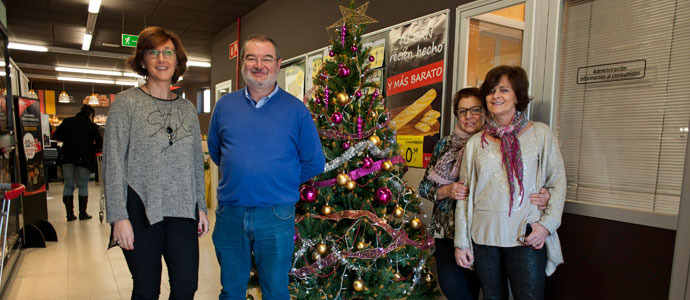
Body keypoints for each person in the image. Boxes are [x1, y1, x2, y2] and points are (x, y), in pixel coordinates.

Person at [208, 34, 325, 300]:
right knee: (231, 290)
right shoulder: (225, 106)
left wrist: (279, 180)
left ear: (278, 64)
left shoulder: (296, 110)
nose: (259, 65)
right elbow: (217, 151)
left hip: (275, 215)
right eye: (252, 58)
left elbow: (314, 161)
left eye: (267, 59)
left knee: (275, 291)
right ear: (242, 63)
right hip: (231, 214)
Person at [103, 26, 209, 300]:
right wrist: (118, 218)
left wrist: (201, 207)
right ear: (142, 61)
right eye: (153, 53)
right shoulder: (126, 104)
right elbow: (113, 164)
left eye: (168, 52)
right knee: (146, 289)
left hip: (183, 212)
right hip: (140, 210)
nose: (161, 59)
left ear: (177, 61)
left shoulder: (187, 109)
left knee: (186, 287)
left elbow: (195, 163)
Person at [418, 88, 551, 300]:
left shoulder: (502, 143)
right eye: (462, 111)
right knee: (455, 290)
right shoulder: (444, 144)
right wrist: (446, 190)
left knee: (489, 291)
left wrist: (544, 196)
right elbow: (424, 187)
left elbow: (516, 183)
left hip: (483, 233)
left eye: (475, 110)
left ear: (487, 112)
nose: (468, 116)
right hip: (447, 231)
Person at [454, 66, 566, 300]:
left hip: (525, 234)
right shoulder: (475, 143)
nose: (496, 96)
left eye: (504, 90)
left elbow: (557, 183)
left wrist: (546, 226)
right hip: (484, 236)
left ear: (518, 95)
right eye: (491, 91)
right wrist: (461, 242)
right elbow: (464, 196)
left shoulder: (540, 134)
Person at [53, 104, 103, 221]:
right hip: (84, 159)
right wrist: (91, 148)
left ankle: (69, 214)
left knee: (69, 184)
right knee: (83, 185)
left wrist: (69, 140)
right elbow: (100, 142)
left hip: (67, 157)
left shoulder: (67, 122)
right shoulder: (91, 125)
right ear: (90, 115)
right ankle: (82, 213)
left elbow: (56, 136)